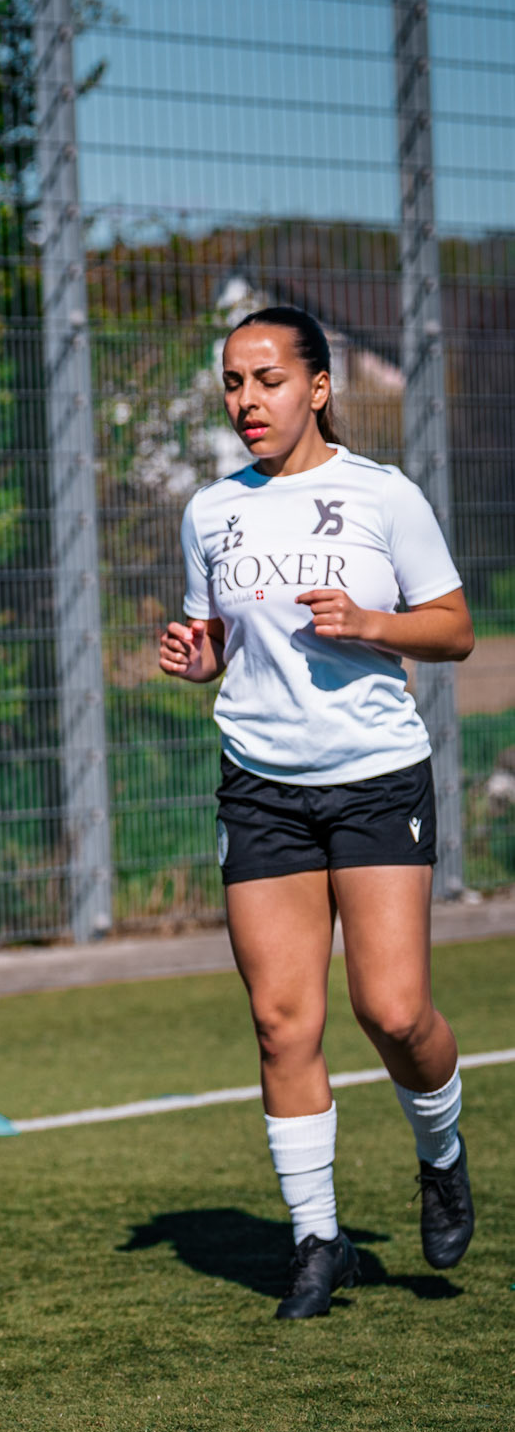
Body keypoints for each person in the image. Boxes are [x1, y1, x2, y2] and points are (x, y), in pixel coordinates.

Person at [158, 306, 475, 1319]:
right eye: (233, 383)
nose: (247, 401)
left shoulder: (383, 494)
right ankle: (316, 1241)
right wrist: (198, 657)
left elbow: (454, 629)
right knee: (280, 1020)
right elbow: (218, 637)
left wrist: (372, 622)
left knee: (394, 1012)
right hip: (261, 783)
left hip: (376, 774)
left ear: (319, 387)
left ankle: (441, 1152)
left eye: (268, 380)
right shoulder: (210, 511)